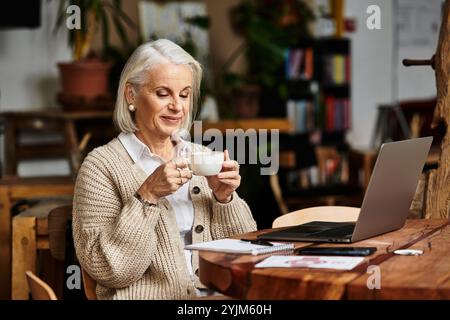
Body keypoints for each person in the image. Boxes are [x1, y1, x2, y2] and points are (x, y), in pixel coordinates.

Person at [72, 39, 257, 300]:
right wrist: (147, 196)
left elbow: (244, 255)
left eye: (184, 94)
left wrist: (224, 198)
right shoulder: (101, 166)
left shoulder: (202, 158)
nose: (177, 106)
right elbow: (110, 271)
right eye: (162, 93)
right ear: (131, 95)